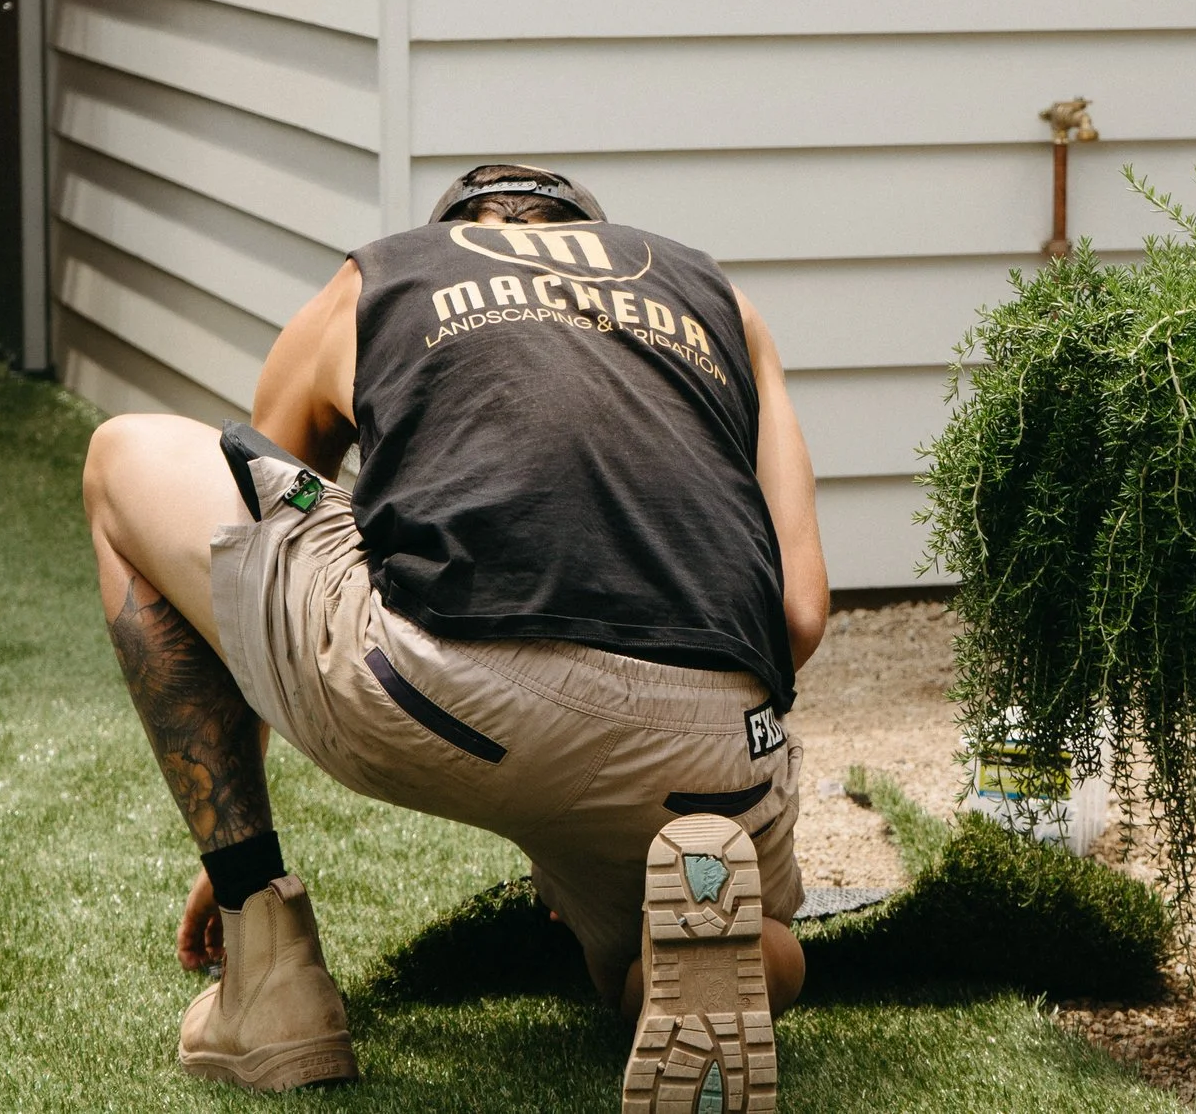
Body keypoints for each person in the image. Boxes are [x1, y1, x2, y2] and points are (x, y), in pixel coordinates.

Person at [81, 163, 826, 1108]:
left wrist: (232, 841)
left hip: (453, 693)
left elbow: (238, 552)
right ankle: (699, 959)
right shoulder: (725, 302)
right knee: (669, 924)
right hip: (719, 758)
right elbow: (799, 612)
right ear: (591, 238)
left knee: (123, 456)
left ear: (457, 229)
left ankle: (270, 982)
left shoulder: (381, 275)